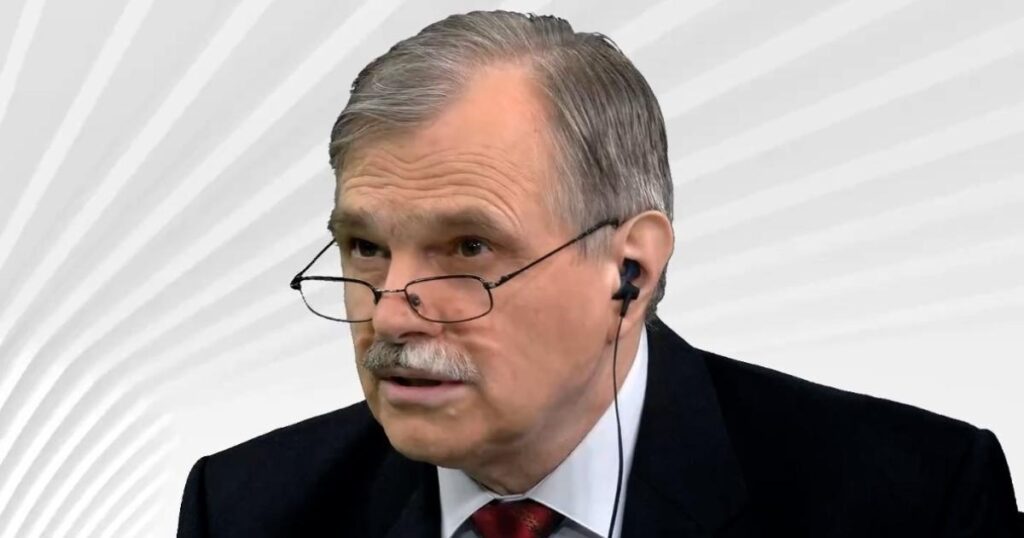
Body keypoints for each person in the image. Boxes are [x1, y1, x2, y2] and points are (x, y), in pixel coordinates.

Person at [176, 10, 1020, 537]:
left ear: (631, 271)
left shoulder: (913, 501)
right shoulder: (247, 509)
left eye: (468, 249)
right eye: (365, 248)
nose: (392, 314)